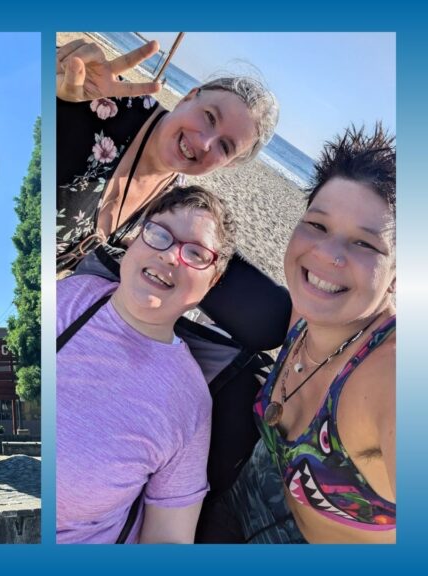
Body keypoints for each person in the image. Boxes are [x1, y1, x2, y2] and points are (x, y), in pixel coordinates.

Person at [226, 124, 396, 544]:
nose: (327, 255)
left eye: (366, 245)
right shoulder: (308, 310)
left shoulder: (392, 377)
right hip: (232, 506)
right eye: (318, 226)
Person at [57, 185, 236, 543]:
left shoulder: (187, 402)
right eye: (159, 234)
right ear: (135, 239)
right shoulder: (71, 297)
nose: (170, 256)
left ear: (212, 281)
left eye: (196, 253)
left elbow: (168, 539)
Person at [54, 38, 279, 276]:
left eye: (224, 146)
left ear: (230, 164)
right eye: (210, 117)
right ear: (188, 98)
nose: (204, 142)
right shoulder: (100, 98)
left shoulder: (170, 203)